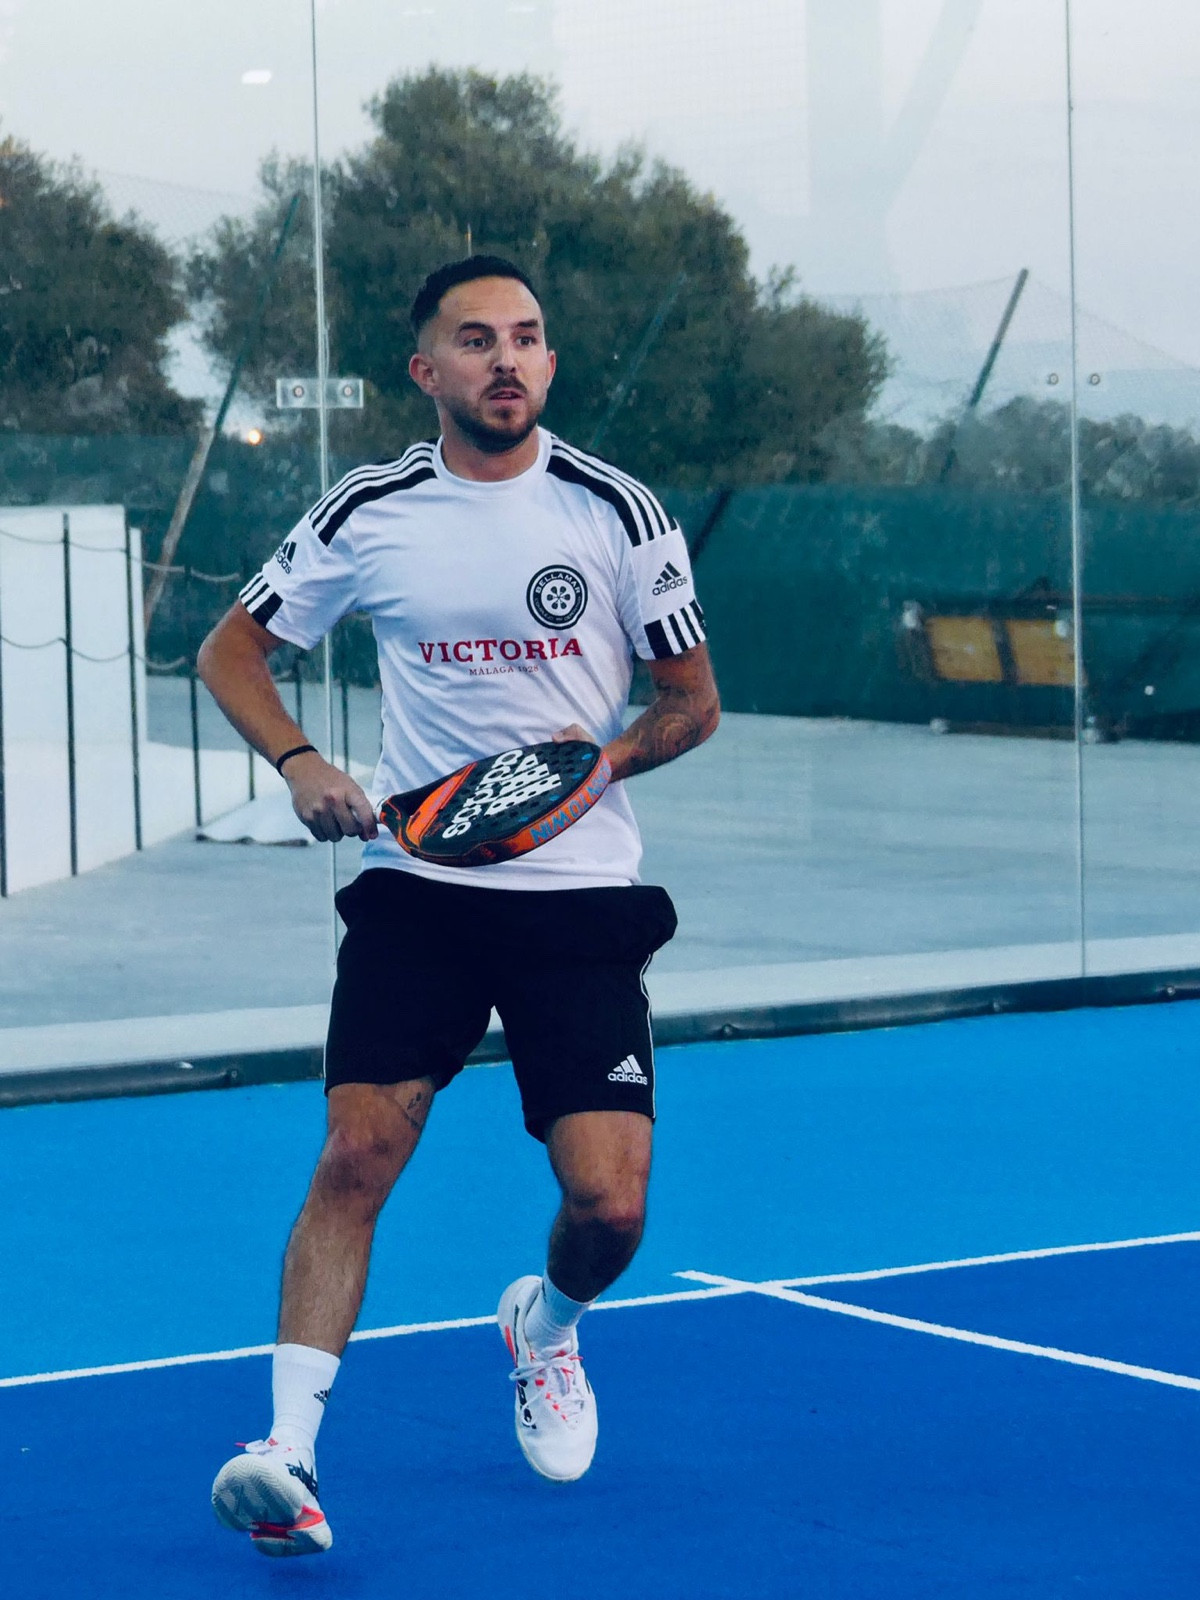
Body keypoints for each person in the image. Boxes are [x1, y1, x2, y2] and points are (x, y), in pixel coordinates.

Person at [199, 255, 719, 1557]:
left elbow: (692, 702)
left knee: (610, 1209)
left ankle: (545, 1327)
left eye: (528, 338)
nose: (508, 360)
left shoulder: (617, 510)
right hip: (416, 887)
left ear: (550, 362)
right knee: (356, 1153)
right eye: (477, 340)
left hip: (579, 894)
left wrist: (599, 766)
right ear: (425, 370)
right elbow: (232, 650)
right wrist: (301, 763)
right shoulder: (369, 510)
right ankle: (287, 1454)